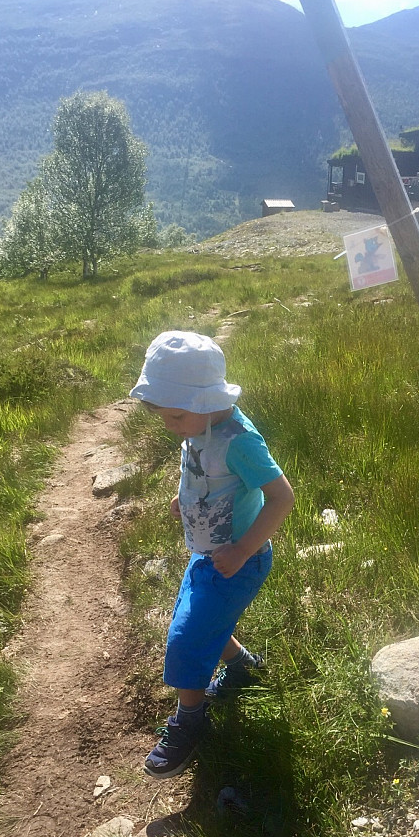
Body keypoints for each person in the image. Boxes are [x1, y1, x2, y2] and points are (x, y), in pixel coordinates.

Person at [129, 331, 294, 779]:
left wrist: (243, 549)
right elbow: (203, 472)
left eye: (175, 416)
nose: (170, 425)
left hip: (238, 561)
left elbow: (281, 497)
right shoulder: (198, 426)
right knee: (203, 623)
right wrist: (183, 499)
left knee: (185, 636)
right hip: (209, 555)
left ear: (204, 403)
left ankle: (190, 720)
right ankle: (242, 667)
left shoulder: (239, 440)